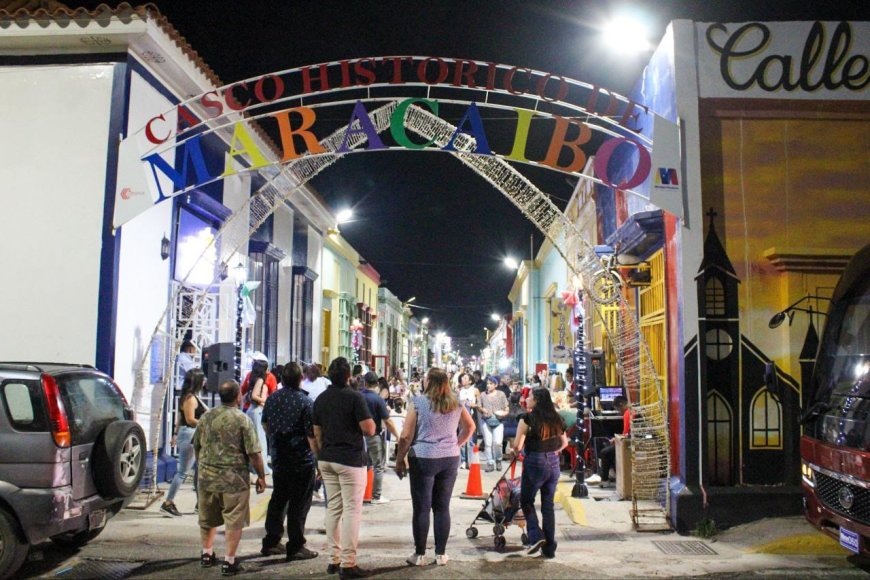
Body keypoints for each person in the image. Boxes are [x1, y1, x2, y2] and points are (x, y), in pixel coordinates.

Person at [395, 368, 475, 567]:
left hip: (423, 458)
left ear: (429, 381)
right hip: (449, 459)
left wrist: (399, 459)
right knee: (442, 507)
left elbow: (405, 436)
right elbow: (470, 426)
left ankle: (419, 554)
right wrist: (456, 444)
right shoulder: (456, 402)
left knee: (421, 508)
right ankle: (441, 554)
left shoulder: (419, 402)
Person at [193, 379, 266, 576]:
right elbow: (254, 453)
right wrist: (261, 476)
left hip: (207, 477)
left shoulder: (206, 417)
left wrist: (202, 467)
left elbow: (196, 445)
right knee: (234, 519)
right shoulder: (242, 419)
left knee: (207, 517)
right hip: (234, 480)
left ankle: (206, 554)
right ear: (238, 396)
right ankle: (229, 561)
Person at [311, 357, 375, 579]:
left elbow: (315, 433)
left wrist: (320, 457)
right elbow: (369, 429)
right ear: (349, 376)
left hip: (327, 458)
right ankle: (348, 563)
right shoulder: (354, 398)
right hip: (350, 459)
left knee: (334, 508)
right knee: (352, 511)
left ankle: (333, 559)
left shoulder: (320, 399)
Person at [260, 362, 319, 562]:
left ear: (282, 379)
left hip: (279, 458)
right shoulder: (305, 402)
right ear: (300, 379)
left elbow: (265, 424)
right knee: (299, 503)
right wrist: (318, 458)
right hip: (300, 459)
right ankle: (295, 545)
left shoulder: (272, 399)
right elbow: (311, 435)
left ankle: (271, 541)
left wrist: (276, 441)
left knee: (278, 498)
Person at [511, 388, 568, 559]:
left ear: (535, 400)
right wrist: (551, 453)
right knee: (547, 505)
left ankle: (535, 535)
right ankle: (549, 548)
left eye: (528, 397)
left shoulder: (527, 419)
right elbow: (564, 443)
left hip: (535, 462)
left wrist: (515, 451)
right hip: (553, 463)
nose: (526, 398)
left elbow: (517, 446)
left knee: (526, 500)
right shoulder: (556, 418)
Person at [161, 368, 208, 518]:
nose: (205, 381)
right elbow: (189, 420)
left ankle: (200, 504)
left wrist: (175, 434)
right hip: (190, 436)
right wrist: (206, 423)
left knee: (199, 470)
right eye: (203, 378)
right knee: (183, 471)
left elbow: (180, 419)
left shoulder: (191, 396)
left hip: (190, 435)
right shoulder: (190, 399)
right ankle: (168, 502)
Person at [362, 372, 399, 504]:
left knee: (362, 465)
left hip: (358, 437)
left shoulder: (358, 397)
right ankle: (376, 495)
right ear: (377, 384)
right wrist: (397, 436)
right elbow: (388, 421)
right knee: (378, 466)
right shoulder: (378, 400)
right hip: (373, 436)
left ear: (365, 383)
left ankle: (362, 493)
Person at [586, 395, 630, 488]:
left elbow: (626, 434)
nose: (619, 412)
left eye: (618, 409)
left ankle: (604, 479)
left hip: (628, 443)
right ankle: (610, 475)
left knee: (604, 452)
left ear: (621, 404)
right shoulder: (630, 411)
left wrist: (616, 439)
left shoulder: (627, 414)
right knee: (608, 449)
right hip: (629, 440)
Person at [245, 359, 272, 475]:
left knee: (255, 441)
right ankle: (262, 468)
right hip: (257, 412)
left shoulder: (253, 379)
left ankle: (255, 467)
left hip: (253, 410)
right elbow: (254, 396)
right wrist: (265, 402)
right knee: (260, 441)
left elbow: (249, 396)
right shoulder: (260, 380)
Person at [478, 375, 509, 472]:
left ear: (495, 385)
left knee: (498, 442)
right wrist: (483, 409)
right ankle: (490, 462)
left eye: (491, 384)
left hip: (498, 421)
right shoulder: (483, 394)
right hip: (486, 420)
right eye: (487, 383)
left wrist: (505, 413)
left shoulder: (501, 394)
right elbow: (479, 406)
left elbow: (506, 407)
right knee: (487, 443)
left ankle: (498, 460)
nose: (488, 385)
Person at [457, 372, 479, 469]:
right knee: (462, 439)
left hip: (472, 416)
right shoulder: (459, 391)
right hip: (461, 417)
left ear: (470, 380)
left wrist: (474, 405)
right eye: (462, 378)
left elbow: (480, 404)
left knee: (470, 440)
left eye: (465, 378)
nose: (463, 379)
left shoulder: (475, 390)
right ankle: (462, 460)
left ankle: (470, 461)